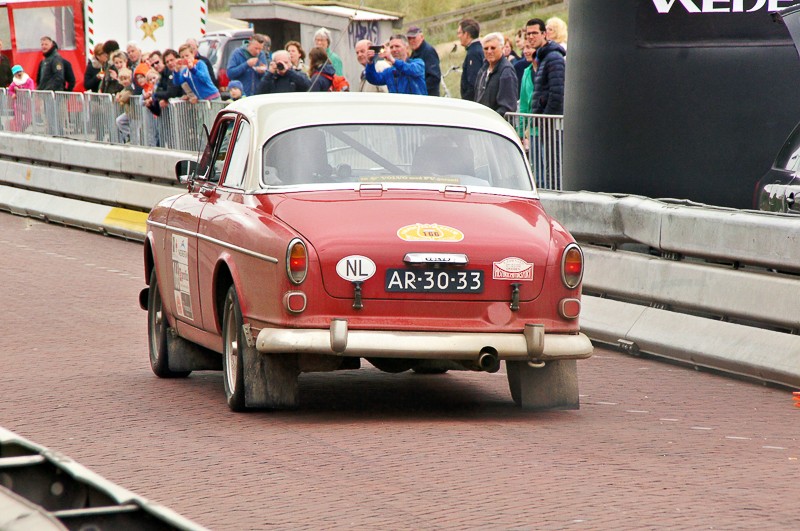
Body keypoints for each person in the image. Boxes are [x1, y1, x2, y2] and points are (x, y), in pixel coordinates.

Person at [474, 32, 518, 116]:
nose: (489, 51)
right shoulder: (483, 70)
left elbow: (507, 107)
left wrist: (489, 119)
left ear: (502, 48)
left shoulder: (506, 71)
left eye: (493, 48)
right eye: (486, 48)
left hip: (495, 122)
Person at [530, 20, 565, 115]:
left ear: (544, 34)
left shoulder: (554, 57)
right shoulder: (541, 56)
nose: (531, 37)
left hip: (549, 120)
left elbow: (557, 94)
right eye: (528, 34)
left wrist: (544, 118)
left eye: (534, 33)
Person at [406, 26, 441, 97]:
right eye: (409, 38)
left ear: (422, 37)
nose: (411, 41)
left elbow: (434, 77)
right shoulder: (414, 52)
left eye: (414, 38)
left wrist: (418, 89)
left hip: (429, 96)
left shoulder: (428, 51)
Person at [457, 18, 483, 101]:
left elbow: (473, 83)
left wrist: (466, 101)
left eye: (459, 33)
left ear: (467, 34)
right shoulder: (477, 49)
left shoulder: (473, 53)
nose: (458, 36)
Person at [7, 65, 35, 132]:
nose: (19, 73)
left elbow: (31, 90)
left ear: (23, 71)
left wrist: (19, 90)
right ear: (14, 74)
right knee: (18, 119)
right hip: (18, 103)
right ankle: (18, 131)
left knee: (28, 120)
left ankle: (22, 129)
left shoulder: (29, 81)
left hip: (27, 103)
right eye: (16, 73)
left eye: (20, 71)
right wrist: (13, 94)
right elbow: (10, 90)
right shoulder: (14, 83)